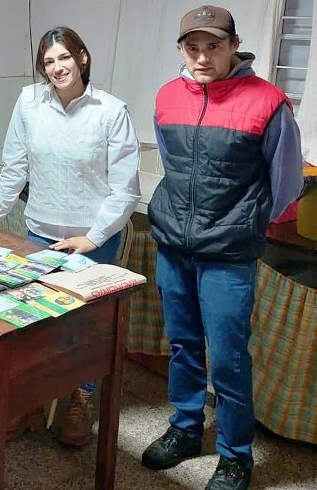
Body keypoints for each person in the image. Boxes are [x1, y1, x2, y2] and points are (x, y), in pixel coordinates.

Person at [141, 6, 304, 490]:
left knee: (229, 357)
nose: (202, 57)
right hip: (174, 244)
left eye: (213, 46)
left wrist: (245, 220)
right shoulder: (167, 96)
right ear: (182, 50)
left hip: (229, 254)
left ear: (234, 46)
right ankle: (186, 428)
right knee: (183, 344)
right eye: (192, 48)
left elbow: (286, 183)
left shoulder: (268, 102)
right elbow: (171, 163)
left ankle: (235, 456)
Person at [0, 26, 141, 446]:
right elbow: (15, 166)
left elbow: (125, 190)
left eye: (64, 57)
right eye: (48, 61)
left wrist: (93, 237)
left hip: (93, 240)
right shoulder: (30, 102)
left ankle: (81, 400)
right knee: (34, 323)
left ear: (82, 57)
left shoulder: (110, 111)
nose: (57, 67)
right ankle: (31, 401)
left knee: (85, 327)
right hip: (39, 234)